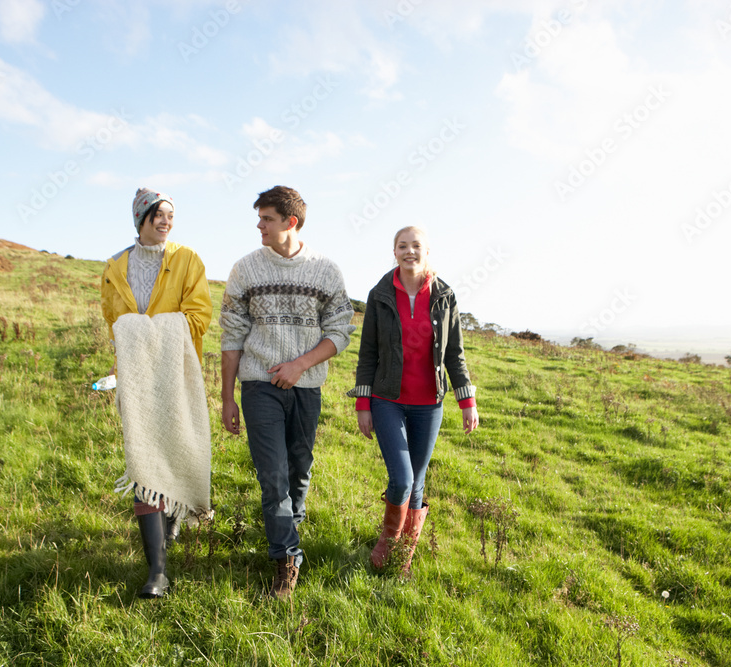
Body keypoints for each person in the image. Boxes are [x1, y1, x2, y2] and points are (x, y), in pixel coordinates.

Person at [219, 185, 355, 599]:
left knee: (299, 471)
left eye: (267, 219)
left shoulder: (326, 271)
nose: (259, 226)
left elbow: (339, 331)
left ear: (290, 222)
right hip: (259, 385)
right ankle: (285, 560)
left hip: (307, 387)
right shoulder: (245, 270)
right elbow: (231, 335)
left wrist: (299, 366)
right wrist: (227, 397)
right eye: (259, 219)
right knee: (273, 474)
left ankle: (289, 548)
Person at [100, 187, 213, 598]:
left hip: (177, 371)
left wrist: (152, 333)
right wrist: (131, 343)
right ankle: (157, 571)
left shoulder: (187, 260)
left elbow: (199, 315)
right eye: (158, 215)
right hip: (136, 378)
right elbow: (114, 320)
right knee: (143, 457)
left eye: (170, 215)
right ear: (140, 219)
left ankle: (174, 516)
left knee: (177, 448)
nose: (166, 221)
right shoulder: (114, 267)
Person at [352, 225, 478, 574]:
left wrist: (467, 401)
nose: (410, 251)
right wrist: (363, 404)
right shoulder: (380, 294)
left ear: (427, 251)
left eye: (416, 245)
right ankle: (386, 545)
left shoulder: (444, 295)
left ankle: (403, 558)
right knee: (404, 479)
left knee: (418, 482)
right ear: (394, 252)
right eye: (402, 246)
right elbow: (368, 354)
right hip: (387, 399)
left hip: (429, 403)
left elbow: (455, 354)